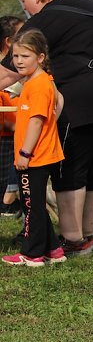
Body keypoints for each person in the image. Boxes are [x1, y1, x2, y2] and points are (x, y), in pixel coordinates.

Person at [0, 0, 93, 257]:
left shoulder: (45, 18)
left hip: (76, 102)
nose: (26, 9)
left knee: (69, 170)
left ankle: (72, 238)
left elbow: (8, 72)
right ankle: (88, 234)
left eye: (24, 1)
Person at [2, 30, 66, 266]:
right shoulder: (40, 81)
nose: (19, 61)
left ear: (40, 57)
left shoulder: (38, 85)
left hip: (34, 157)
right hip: (39, 154)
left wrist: (24, 153)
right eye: (15, 56)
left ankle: (32, 253)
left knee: (31, 206)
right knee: (36, 203)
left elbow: (36, 122)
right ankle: (53, 249)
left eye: (25, 56)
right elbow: (59, 101)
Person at [0, 15, 25, 216]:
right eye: (22, 34)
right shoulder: (5, 71)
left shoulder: (23, 66)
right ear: (9, 41)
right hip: (6, 135)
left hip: (17, 135)